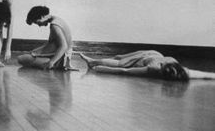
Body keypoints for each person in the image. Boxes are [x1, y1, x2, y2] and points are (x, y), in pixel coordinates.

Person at [79, 50, 215, 80]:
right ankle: (92, 62)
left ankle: (92, 61)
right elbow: (206, 75)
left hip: (146, 57)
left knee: (120, 62)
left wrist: (100, 69)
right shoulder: (183, 71)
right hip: (151, 54)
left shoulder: (153, 69)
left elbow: (123, 71)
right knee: (120, 58)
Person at [17, 6, 77, 71]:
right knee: (28, 55)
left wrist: (51, 62)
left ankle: (54, 65)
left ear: (42, 16)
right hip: (62, 56)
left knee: (21, 59)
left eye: (37, 22)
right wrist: (35, 52)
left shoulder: (55, 26)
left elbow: (64, 46)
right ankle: (50, 63)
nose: (39, 25)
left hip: (61, 59)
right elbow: (51, 44)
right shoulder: (57, 20)